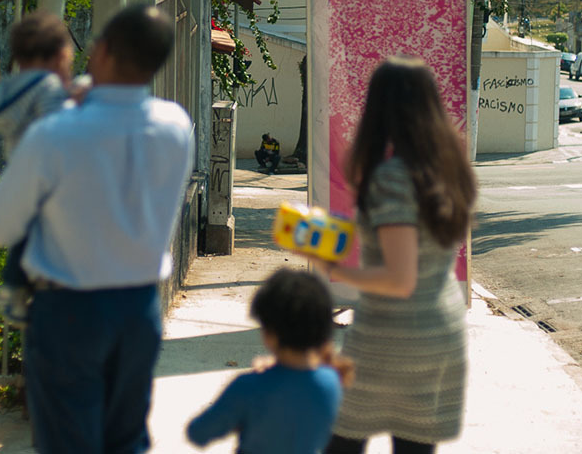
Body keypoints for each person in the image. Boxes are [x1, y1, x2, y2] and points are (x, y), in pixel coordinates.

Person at [0, 4, 194, 454]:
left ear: (99, 52)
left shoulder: (54, 133)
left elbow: (1, 228)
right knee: (127, 439)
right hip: (139, 309)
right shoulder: (177, 126)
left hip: (67, 313)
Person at [307, 57, 477, 454]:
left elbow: (400, 279)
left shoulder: (393, 176)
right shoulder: (447, 169)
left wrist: (336, 271)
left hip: (394, 336)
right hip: (441, 329)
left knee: (341, 442)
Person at [187, 268, 351, 454]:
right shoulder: (332, 382)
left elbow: (197, 433)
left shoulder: (248, 387)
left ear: (269, 335)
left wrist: (239, 417)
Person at [0, 11, 77, 327]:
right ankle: (14, 288)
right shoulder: (47, 85)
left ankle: (14, 286)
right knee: (36, 232)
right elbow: (59, 123)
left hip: (19, 165)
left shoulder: (10, 86)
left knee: (25, 235)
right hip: (46, 172)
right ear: (61, 54)